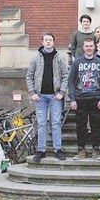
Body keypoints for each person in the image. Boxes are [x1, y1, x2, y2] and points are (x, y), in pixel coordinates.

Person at [26, 32, 68, 162]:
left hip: (55, 96)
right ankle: (41, 150)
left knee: (55, 123)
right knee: (42, 123)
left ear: (53, 42)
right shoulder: (35, 58)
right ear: (42, 42)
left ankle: (58, 150)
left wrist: (61, 92)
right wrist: (32, 93)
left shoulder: (59, 58)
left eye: (50, 40)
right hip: (40, 97)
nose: (48, 42)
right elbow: (29, 76)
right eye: (46, 40)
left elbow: (65, 75)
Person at [68, 37, 100, 160]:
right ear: (83, 48)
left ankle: (96, 150)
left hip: (96, 99)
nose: (89, 48)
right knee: (80, 126)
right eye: (86, 46)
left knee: (96, 126)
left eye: (91, 46)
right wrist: (72, 99)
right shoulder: (77, 63)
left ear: (94, 47)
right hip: (80, 99)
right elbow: (71, 81)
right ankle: (81, 150)